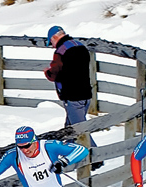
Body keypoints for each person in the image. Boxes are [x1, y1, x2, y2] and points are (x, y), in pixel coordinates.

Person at [43, 25, 103, 170]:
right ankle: (68, 156)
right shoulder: (80, 46)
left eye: (50, 42)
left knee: (80, 129)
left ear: (54, 38)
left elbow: (56, 72)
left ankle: (96, 159)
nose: (52, 45)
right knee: (69, 128)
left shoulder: (61, 51)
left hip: (72, 97)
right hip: (86, 94)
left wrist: (48, 73)